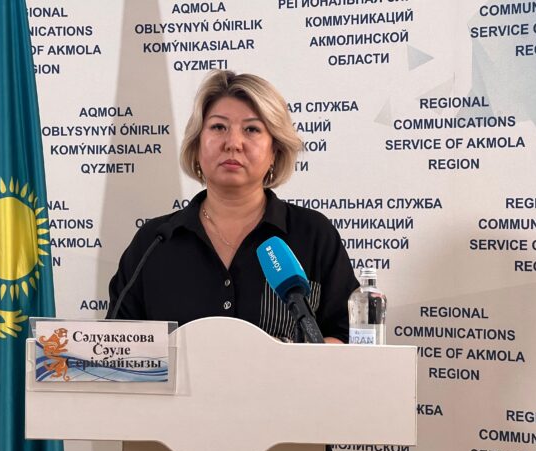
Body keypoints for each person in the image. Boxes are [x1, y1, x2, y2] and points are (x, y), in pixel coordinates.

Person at [107, 70, 358, 344]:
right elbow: (118, 345)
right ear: (197, 144)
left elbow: (348, 335)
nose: (233, 143)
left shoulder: (313, 234)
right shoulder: (154, 242)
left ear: (274, 151)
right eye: (218, 127)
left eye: (251, 129)